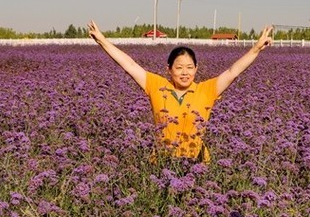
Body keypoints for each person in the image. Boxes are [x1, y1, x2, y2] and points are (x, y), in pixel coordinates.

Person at [87, 21, 274, 162]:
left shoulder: (206, 90)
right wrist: (102, 41)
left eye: (189, 67)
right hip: (161, 162)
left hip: (197, 164)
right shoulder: (156, 85)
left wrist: (256, 49)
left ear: (196, 69)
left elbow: (233, 72)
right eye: (179, 68)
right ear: (169, 69)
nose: (185, 73)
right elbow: (129, 65)